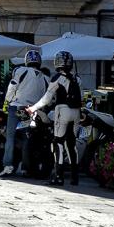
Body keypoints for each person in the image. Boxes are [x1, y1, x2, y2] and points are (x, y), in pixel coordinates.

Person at [27, 50, 82, 186]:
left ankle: (58, 176)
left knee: (58, 143)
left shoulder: (57, 78)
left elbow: (47, 98)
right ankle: (75, 177)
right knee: (71, 143)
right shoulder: (77, 79)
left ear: (57, 63)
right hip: (77, 112)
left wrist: (33, 108)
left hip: (62, 110)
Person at [0, 50, 48, 177]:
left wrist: (6, 102)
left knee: (10, 137)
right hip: (32, 110)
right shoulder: (46, 78)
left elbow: (12, 87)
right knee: (27, 138)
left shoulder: (20, 70)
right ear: (39, 62)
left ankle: (8, 165)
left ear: (27, 61)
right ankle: (26, 167)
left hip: (16, 107)